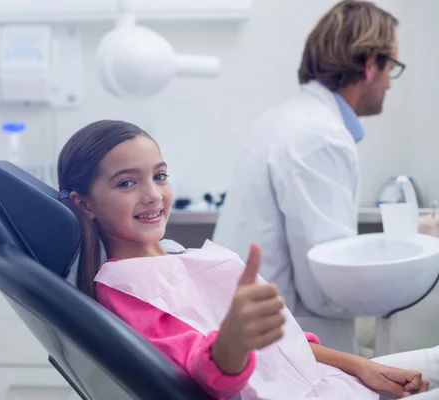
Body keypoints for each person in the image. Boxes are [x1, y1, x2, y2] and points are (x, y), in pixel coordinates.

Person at [57, 119, 438, 400]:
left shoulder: (179, 258)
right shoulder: (126, 289)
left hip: (322, 378)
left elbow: (286, 344)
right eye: (127, 183)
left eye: (159, 176)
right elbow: (204, 368)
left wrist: (362, 366)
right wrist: (233, 341)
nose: (153, 195)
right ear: (84, 203)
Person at [212, 0, 412, 353]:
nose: (390, 84)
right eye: (390, 67)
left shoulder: (284, 119)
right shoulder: (320, 136)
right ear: (369, 65)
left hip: (251, 335)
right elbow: (325, 288)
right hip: (287, 349)